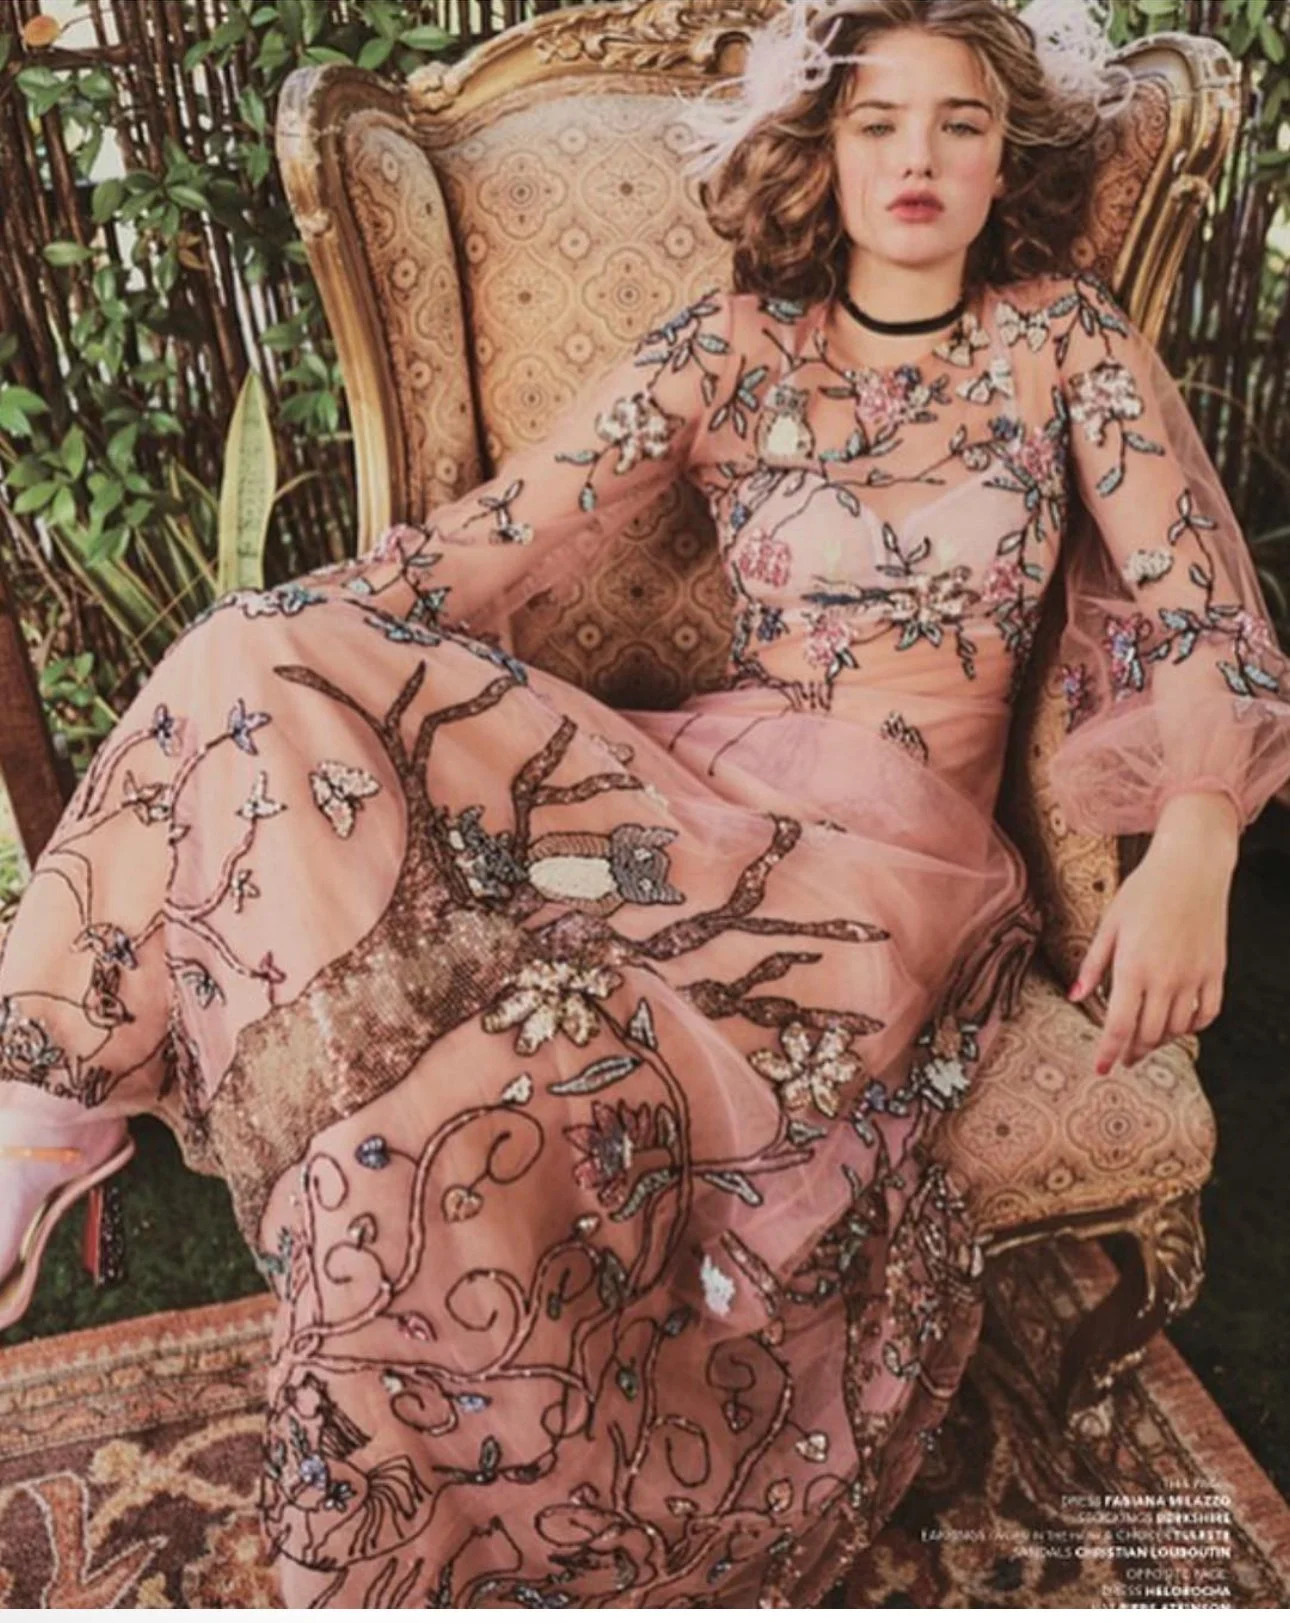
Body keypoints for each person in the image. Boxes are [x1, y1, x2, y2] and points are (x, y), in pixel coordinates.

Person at [2, 0, 1289, 1605]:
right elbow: (486, 546)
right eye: (875, 120)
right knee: (243, 645)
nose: (915, 157)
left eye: (956, 122)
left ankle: (474, 1548)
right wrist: (286, 652)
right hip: (692, 788)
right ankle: (45, 1108)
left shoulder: (1063, 341)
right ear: (819, 150)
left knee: (444, 1131)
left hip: (889, 868)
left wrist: (1195, 834)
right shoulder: (731, 344)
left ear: (1000, 154)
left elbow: (1201, 620)